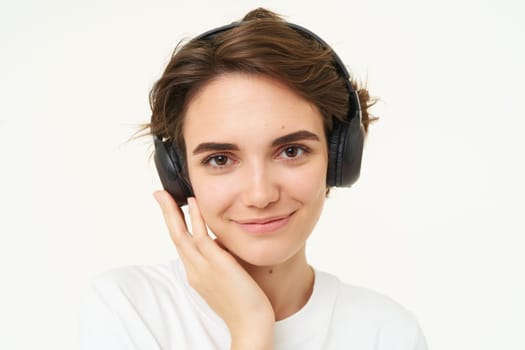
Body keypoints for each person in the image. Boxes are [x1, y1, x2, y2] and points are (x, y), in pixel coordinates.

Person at [80, 8, 427, 350]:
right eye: (220, 159)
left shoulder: (388, 333)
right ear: (178, 174)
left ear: (339, 158)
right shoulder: (130, 308)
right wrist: (250, 328)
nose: (260, 195)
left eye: (291, 151)